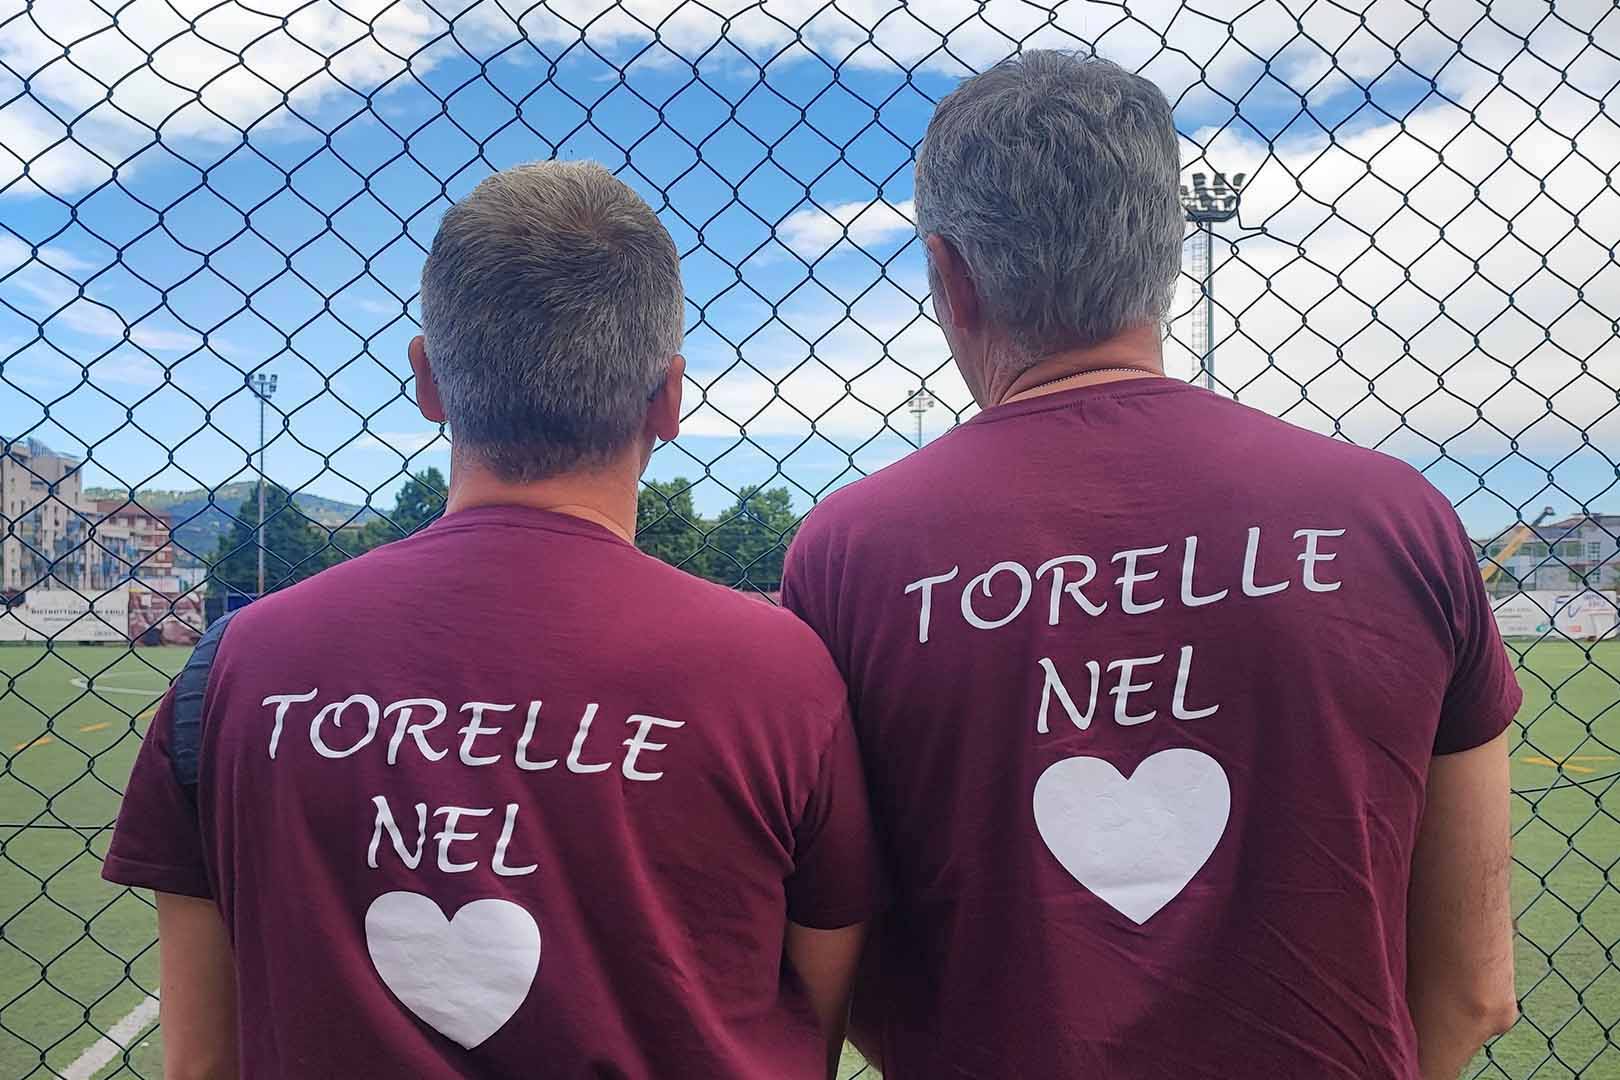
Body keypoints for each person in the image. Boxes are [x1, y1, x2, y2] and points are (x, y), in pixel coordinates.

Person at [781, 51, 1520, 1079]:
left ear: (950, 277)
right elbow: (1476, 987)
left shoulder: (850, 553)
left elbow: (828, 962)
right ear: (1167, 256)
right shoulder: (1398, 518)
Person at [105, 160, 879, 1080]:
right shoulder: (780, 672)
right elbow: (811, 1023)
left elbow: (202, 1061)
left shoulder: (238, 663)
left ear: (427, 381)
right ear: (671, 400)